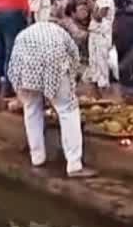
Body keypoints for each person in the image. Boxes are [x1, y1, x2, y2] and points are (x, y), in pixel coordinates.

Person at [7, 20, 93, 177]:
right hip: (52, 63)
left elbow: (13, 62)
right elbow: (74, 63)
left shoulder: (26, 32)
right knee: (68, 109)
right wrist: (71, 86)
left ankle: (37, 157)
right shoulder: (64, 35)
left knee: (31, 108)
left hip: (25, 69)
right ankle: (74, 164)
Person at [86, 0, 115, 100]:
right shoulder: (98, 0)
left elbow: (98, 17)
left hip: (102, 35)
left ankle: (105, 92)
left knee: (102, 62)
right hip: (94, 33)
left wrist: (92, 6)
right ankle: (96, 91)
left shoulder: (108, 0)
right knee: (94, 61)